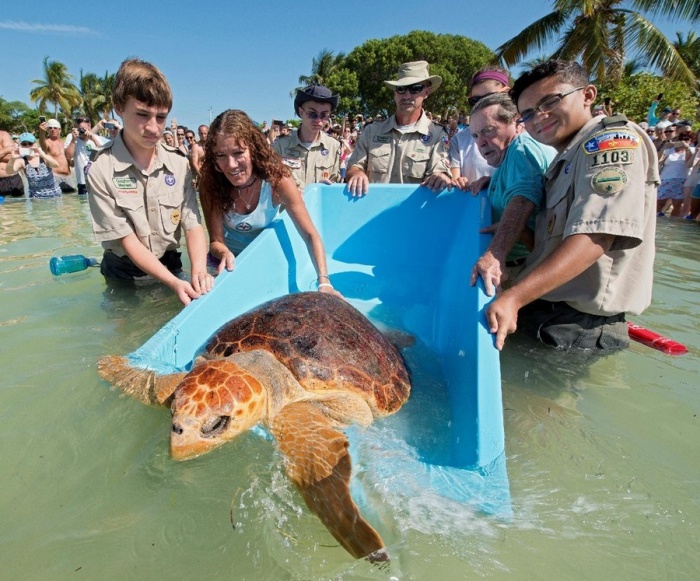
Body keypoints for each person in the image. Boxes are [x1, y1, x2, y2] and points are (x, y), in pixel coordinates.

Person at [486, 60, 658, 351]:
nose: (539, 117)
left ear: (587, 95)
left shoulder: (610, 142)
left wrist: (514, 298)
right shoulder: (565, 159)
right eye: (527, 113)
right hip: (547, 309)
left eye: (550, 101)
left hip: (579, 325)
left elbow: (595, 236)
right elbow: (552, 241)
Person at [86, 58, 213, 306]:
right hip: (124, 276)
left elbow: (192, 223)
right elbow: (127, 240)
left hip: (171, 264)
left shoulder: (179, 163)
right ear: (119, 108)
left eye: (161, 117)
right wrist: (173, 283)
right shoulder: (101, 169)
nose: (154, 128)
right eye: (143, 115)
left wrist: (198, 270)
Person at [198, 109, 337, 294]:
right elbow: (215, 241)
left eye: (238, 152)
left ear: (253, 149)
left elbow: (310, 235)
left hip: (263, 258)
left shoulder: (278, 181)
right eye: (221, 155)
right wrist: (224, 253)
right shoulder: (210, 184)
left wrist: (324, 282)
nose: (230, 164)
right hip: (224, 263)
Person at [466, 93, 556, 296]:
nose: (480, 142)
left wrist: (495, 254)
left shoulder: (520, 148)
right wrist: (494, 184)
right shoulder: (509, 158)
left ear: (517, 123)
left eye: (488, 131)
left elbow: (523, 200)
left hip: (517, 272)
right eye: (475, 136)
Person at [345, 60, 450, 196]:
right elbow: (353, 167)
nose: (407, 95)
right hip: (372, 212)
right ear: (395, 93)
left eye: (415, 88)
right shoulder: (371, 131)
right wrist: (356, 173)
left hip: (414, 214)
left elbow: (439, 172)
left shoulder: (437, 135)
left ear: (426, 91)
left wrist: (439, 177)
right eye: (401, 88)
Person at [449, 66, 511, 191]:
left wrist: (495, 182)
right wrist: (458, 182)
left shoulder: (529, 135)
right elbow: (453, 182)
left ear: (506, 93)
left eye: (489, 99)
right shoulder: (459, 140)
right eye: (475, 101)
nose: (482, 106)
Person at [273, 84, 342, 190]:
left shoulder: (333, 146)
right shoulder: (281, 145)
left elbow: (335, 182)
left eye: (324, 115)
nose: (318, 120)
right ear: (301, 112)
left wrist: (326, 188)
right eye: (312, 114)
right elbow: (271, 182)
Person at [4, 132, 62, 198]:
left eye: (30, 143)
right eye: (24, 144)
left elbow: (56, 165)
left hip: (55, 196)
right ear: (20, 146)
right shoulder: (22, 161)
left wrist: (42, 155)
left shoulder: (43, 157)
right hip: (36, 199)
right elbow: (9, 172)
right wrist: (12, 159)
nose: (28, 146)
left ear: (35, 143)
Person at [65, 116, 109, 195]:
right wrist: (73, 140)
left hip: (99, 181)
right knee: (84, 206)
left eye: (85, 129)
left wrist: (93, 139)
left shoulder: (97, 138)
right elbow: (68, 156)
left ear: (90, 127)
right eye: (81, 129)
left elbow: (104, 156)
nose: (83, 131)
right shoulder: (71, 137)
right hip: (83, 183)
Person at [657, 135, 694, 217]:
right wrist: (664, 148)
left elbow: (689, 164)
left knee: (677, 206)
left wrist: (687, 148)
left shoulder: (691, 150)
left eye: (686, 139)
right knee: (659, 203)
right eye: (681, 139)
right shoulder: (669, 150)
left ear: (690, 141)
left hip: (681, 180)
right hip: (665, 179)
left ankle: (672, 223)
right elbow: (658, 160)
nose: (683, 142)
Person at [38, 118, 76, 193]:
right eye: (50, 128)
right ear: (47, 130)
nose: (53, 130)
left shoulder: (64, 143)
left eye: (55, 128)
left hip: (68, 177)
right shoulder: (48, 142)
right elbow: (43, 146)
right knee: (56, 202)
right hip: (55, 176)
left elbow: (69, 160)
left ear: (60, 130)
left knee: (72, 201)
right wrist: (42, 133)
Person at [0, 130, 25, 197]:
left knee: (17, 206)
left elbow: (13, 156)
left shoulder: (4, 135)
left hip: (13, 178)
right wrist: (6, 150)